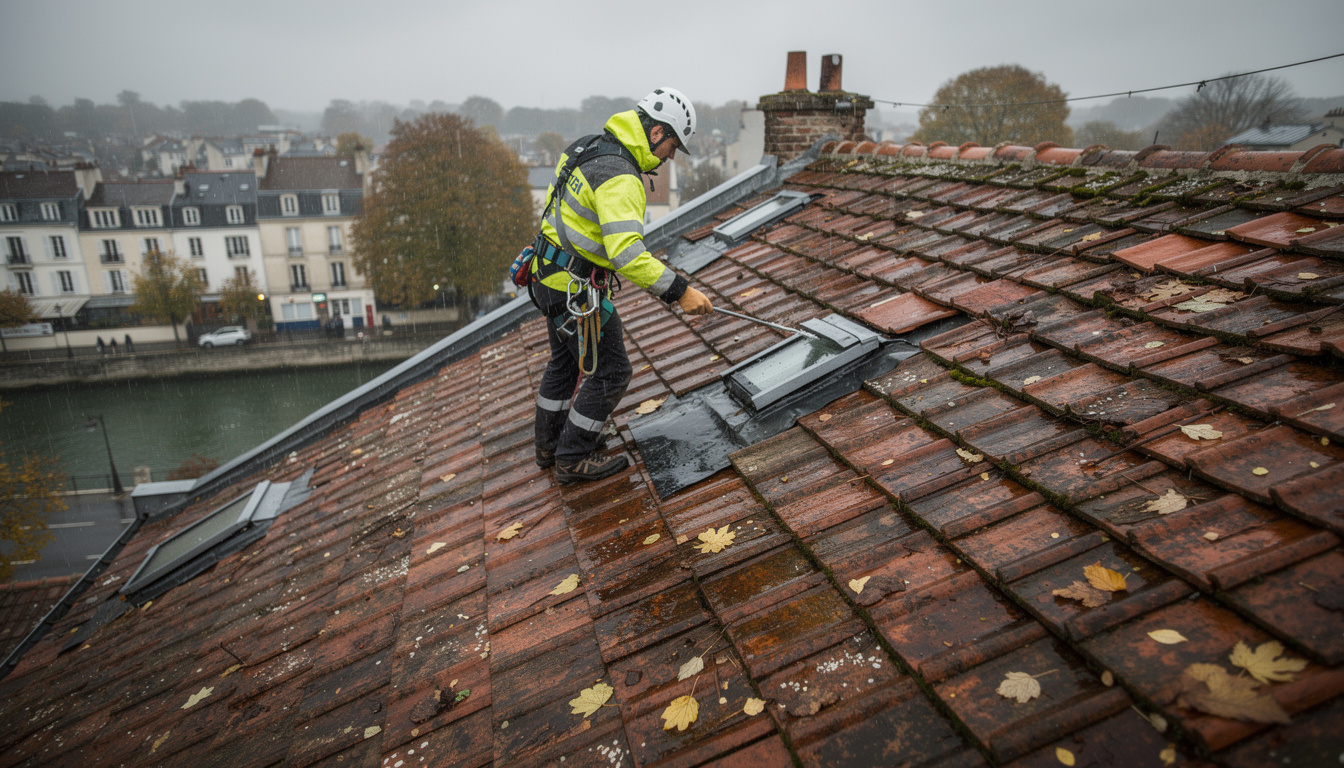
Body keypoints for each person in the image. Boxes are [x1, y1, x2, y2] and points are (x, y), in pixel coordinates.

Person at [528, 87, 713, 484]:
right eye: (673, 147)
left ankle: (548, 447)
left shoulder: (585, 148)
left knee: (563, 363)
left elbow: (557, 210)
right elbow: (627, 255)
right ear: (657, 133)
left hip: (545, 273)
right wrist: (681, 291)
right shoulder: (621, 176)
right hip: (575, 289)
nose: (670, 158)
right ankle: (573, 456)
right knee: (613, 371)